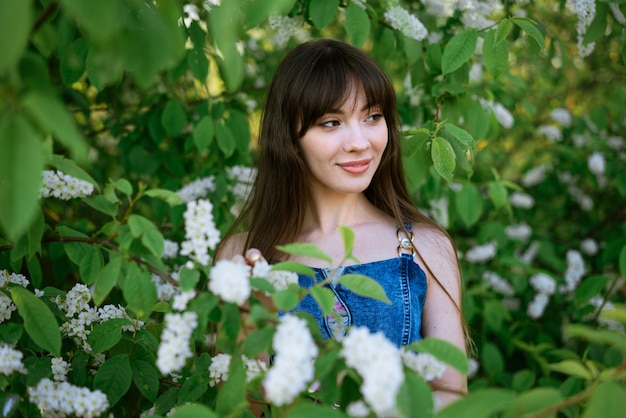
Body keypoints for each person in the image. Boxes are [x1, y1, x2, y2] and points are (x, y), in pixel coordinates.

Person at [216, 38, 468, 407]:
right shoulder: (245, 255)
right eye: (332, 122)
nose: (359, 142)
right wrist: (252, 331)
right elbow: (238, 410)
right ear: (289, 137)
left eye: (372, 117)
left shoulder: (425, 248)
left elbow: (452, 397)